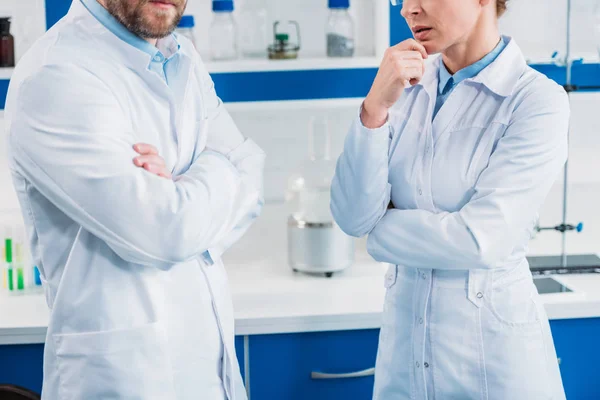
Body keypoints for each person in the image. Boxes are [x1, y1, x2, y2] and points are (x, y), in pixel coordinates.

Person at [4, 0, 264, 399]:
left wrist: (182, 191)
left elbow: (252, 173)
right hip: (124, 383)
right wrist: (215, 168)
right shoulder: (57, 74)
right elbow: (167, 232)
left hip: (211, 378)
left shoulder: (182, 57)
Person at [331, 0, 568, 398]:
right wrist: (374, 108)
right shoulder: (400, 90)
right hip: (403, 366)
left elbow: (480, 240)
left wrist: (379, 232)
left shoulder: (536, 101)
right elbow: (353, 217)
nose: (409, 10)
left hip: (493, 368)